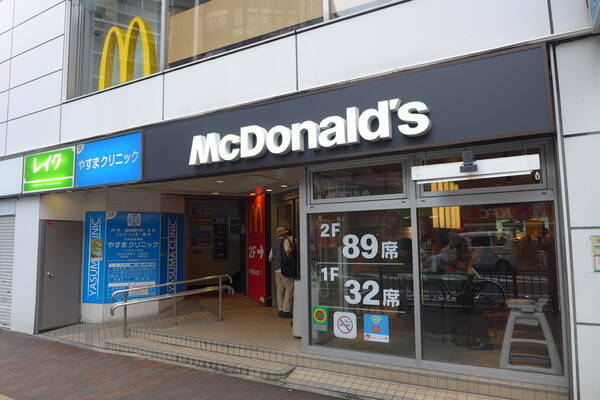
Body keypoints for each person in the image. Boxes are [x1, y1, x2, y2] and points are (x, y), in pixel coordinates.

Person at [269, 226, 295, 318]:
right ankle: (286, 310)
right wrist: (292, 259)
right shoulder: (285, 241)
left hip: (276, 270)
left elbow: (270, 258)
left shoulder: (274, 243)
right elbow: (288, 252)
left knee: (280, 290)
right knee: (290, 288)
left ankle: (280, 309)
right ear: (285, 234)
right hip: (285, 269)